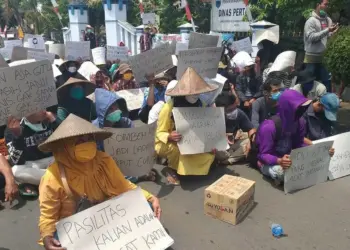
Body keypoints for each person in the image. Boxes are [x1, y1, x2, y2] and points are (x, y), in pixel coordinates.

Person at [38, 114, 161, 249]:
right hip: (77, 228)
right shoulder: (52, 177)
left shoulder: (103, 160)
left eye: (89, 138)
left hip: (108, 216)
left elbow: (124, 186)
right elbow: (48, 215)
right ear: (65, 146)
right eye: (79, 140)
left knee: (148, 208)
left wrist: (150, 197)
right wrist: (47, 236)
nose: (86, 142)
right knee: (57, 243)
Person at [255, 89, 334, 184]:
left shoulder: (300, 122)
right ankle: (264, 168)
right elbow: (263, 154)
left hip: (288, 158)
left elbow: (299, 144)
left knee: (314, 167)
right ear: (288, 107)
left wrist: (322, 151)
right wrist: (279, 160)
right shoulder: (269, 127)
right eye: (298, 107)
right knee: (282, 174)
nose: (301, 110)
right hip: (271, 161)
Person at [155, 67, 218, 185]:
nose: (196, 95)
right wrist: (169, 136)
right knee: (175, 150)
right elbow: (159, 132)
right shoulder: (168, 107)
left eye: (198, 91)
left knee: (210, 154)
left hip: (192, 141)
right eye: (192, 92)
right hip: (170, 143)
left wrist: (213, 141)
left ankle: (192, 169)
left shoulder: (201, 104)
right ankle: (171, 169)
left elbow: (206, 127)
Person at [92, 88, 158, 183]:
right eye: (111, 108)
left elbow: (134, 144)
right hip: (106, 162)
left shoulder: (125, 122)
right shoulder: (94, 130)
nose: (116, 110)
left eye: (116, 106)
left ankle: (136, 173)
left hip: (124, 158)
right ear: (103, 112)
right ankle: (136, 176)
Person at [5, 111, 59, 196]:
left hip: (53, 159)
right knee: (15, 171)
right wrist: (18, 136)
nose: (42, 109)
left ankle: (46, 182)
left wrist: (55, 121)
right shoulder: (12, 129)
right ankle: (58, 179)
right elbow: (16, 161)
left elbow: (67, 143)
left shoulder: (50, 120)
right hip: (32, 165)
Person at [304, 0, 339, 91]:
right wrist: (327, 30)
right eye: (325, 4)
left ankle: (327, 103)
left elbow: (327, 36)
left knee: (327, 82)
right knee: (308, 83)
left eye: (328, 5)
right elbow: (312, 37)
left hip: (324, 58)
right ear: (318, 5)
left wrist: (333, 32)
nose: (327, 7)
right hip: (311, 58)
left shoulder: (328, 20)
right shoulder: (310, 21)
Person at [215, 91, 256, 165]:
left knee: (248, 141)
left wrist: (251, 141)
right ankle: (226, 158)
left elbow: (251, 129)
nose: (233, 112)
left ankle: (229, 160)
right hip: (218, 147)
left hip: (232, 145)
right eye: (230, 110)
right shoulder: (212, 115)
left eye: (235, 108)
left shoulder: (239, 113)